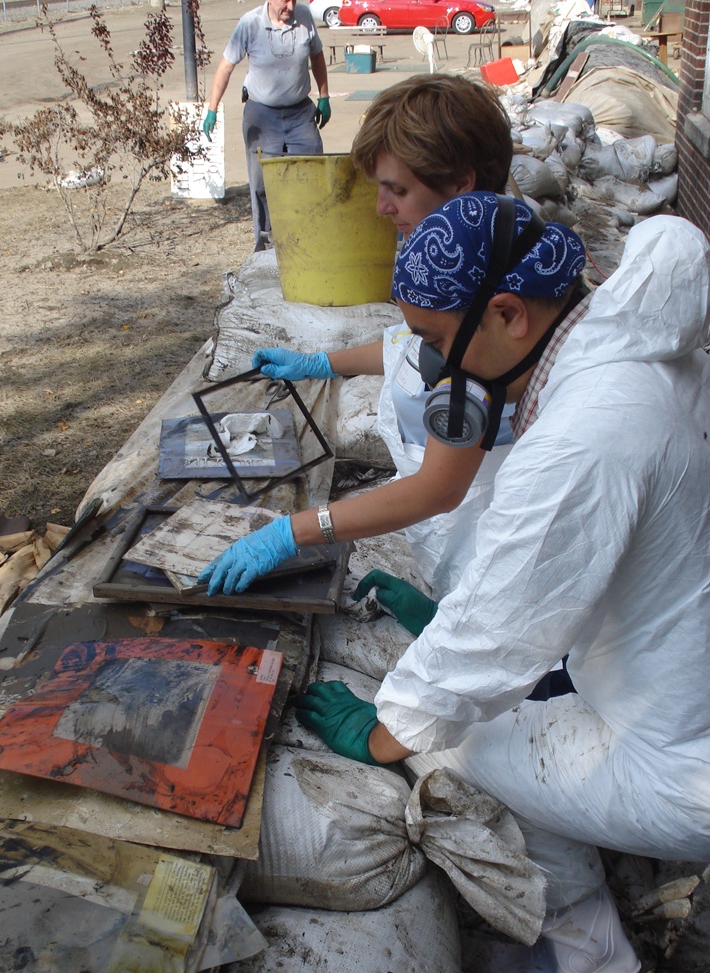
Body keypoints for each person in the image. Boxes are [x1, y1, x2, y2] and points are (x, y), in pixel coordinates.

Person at [295, 192, 710, 973]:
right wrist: (448, 624)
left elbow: (494, 638)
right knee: (509, 706)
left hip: (685, 761)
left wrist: (385, 734)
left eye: (438, 345)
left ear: (510, 315)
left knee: (459, 744)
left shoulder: (583, 433)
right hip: (680, 675)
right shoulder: (638, 347)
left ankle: (588, 965)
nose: (435, 372)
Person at [199, 75, 517, 599]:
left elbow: (439, 486)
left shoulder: (494, 310)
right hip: (464, 551)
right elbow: (414, 349)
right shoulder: (467, 272)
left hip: (500, 567)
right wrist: (320, 363)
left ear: (460, 183)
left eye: (398, 189)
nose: (381, 208)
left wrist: (293, 531)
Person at [203, 0, 331, 251]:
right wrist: (212, 108)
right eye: (285, 0)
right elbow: (226, 66)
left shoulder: (304, 17)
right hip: (262, 115)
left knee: (311, 174)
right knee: (262, 184)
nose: (290, 6)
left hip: (300, 113)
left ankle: (309, 241)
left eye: (294, 0)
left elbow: (316, 56)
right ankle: (266, 246)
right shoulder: (250, 24)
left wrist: (324, 96)